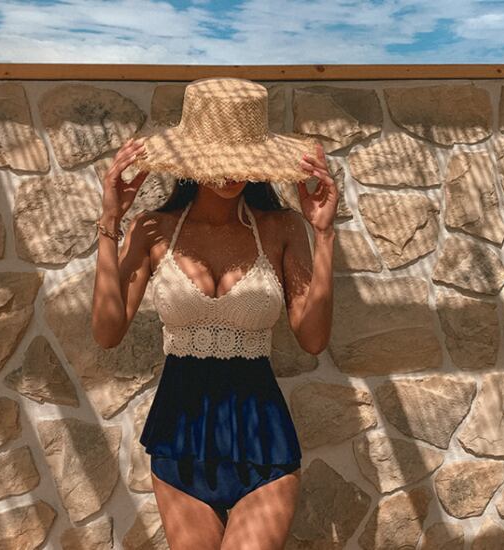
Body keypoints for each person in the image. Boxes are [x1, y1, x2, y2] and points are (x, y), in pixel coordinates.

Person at [92, 77, 338, 550]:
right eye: (219, 160)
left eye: (241, 160)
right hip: (179, 438)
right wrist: (110, 222)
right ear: (193, 160)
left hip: (263, 439)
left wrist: (324, 235)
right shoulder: (152, 229)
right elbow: (107, 331)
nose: (230, 173)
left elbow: (312, 339)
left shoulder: (282, 227)